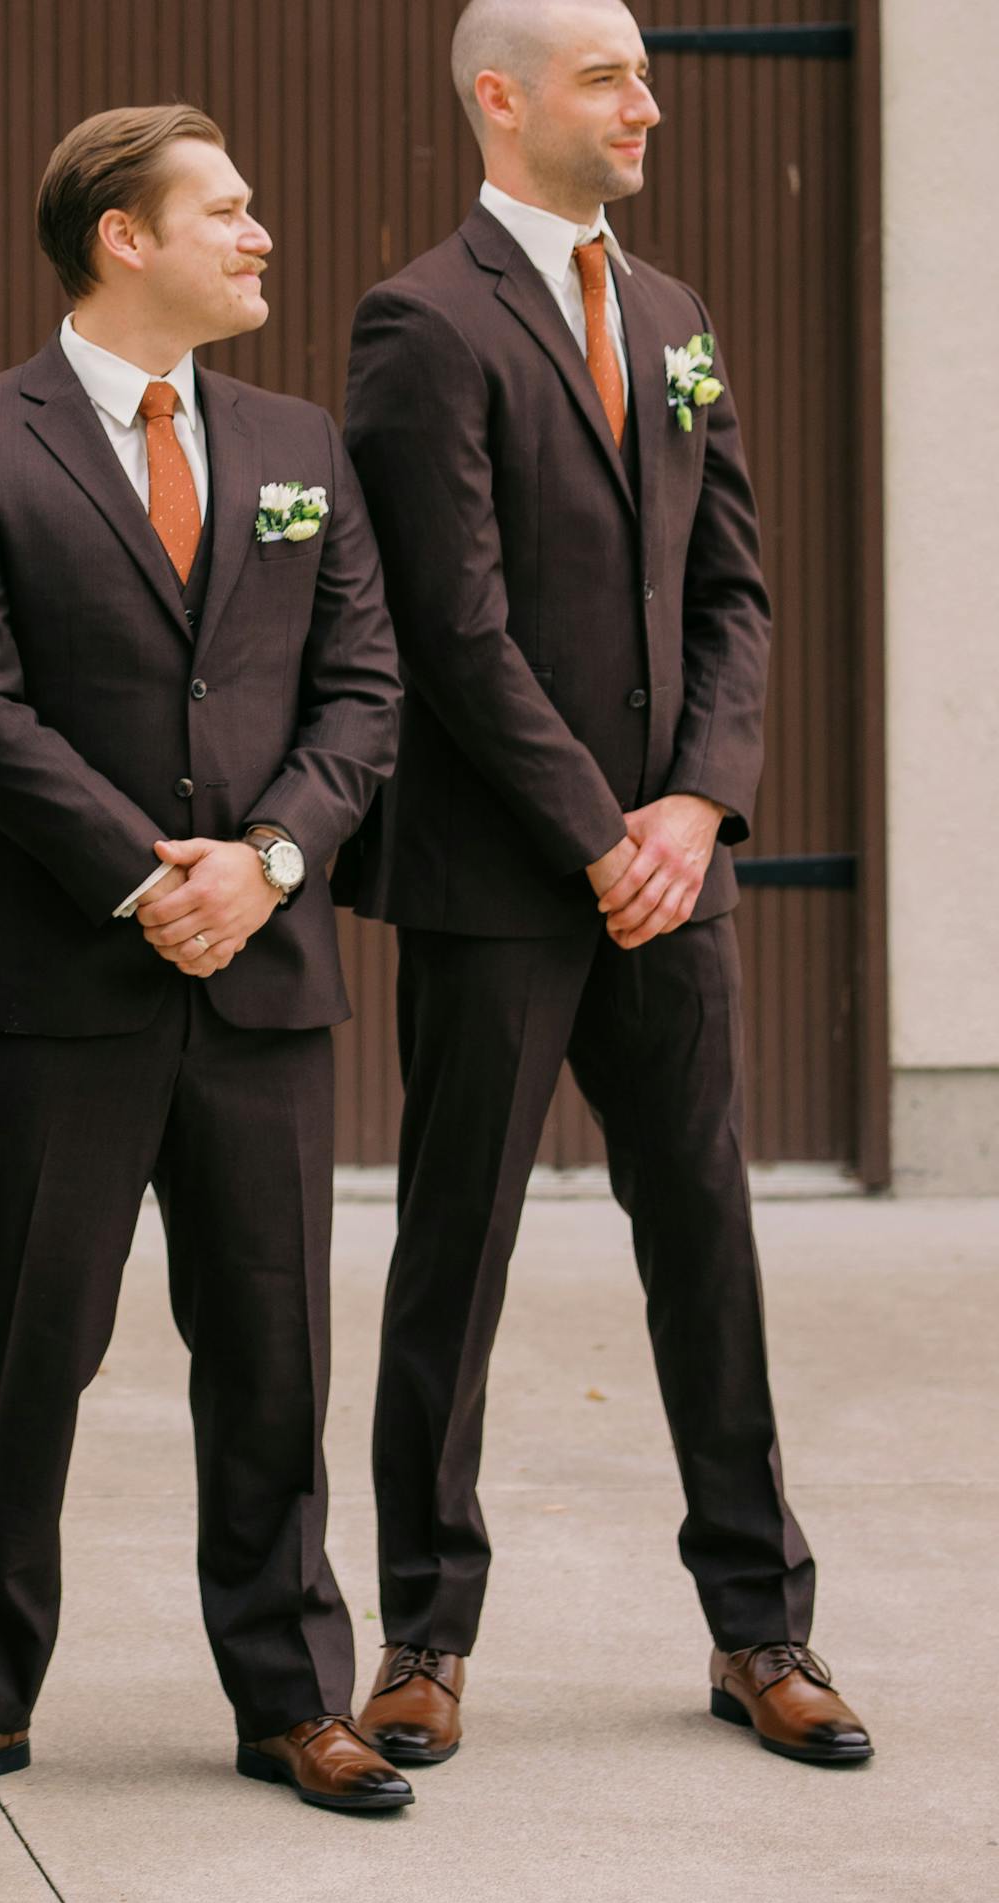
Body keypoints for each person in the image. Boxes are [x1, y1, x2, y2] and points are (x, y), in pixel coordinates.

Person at [341, 0, 869, 1769]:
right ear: (502, 100)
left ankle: (761, 1624)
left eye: (646, 72)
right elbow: (456, 627)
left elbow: (737, 590)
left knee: (708, 1247)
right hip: (505, 881)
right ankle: (423, 1634)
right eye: (609, 77)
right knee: (456, 1252)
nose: (650, 101)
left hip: (672, 880)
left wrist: (701, 807)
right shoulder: (422, 322)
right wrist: (599, 829)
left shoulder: (674, 315)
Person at [0, 104, 410, 1817]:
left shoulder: (297, 443)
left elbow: (365, 693)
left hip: (263, 979)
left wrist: (261, 865)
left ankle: (291, 1694)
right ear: (124, 235)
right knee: (17, 1347)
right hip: (56, 984)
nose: (262, 235)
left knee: (271, 1353)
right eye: (229, 210)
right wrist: (142, 876)